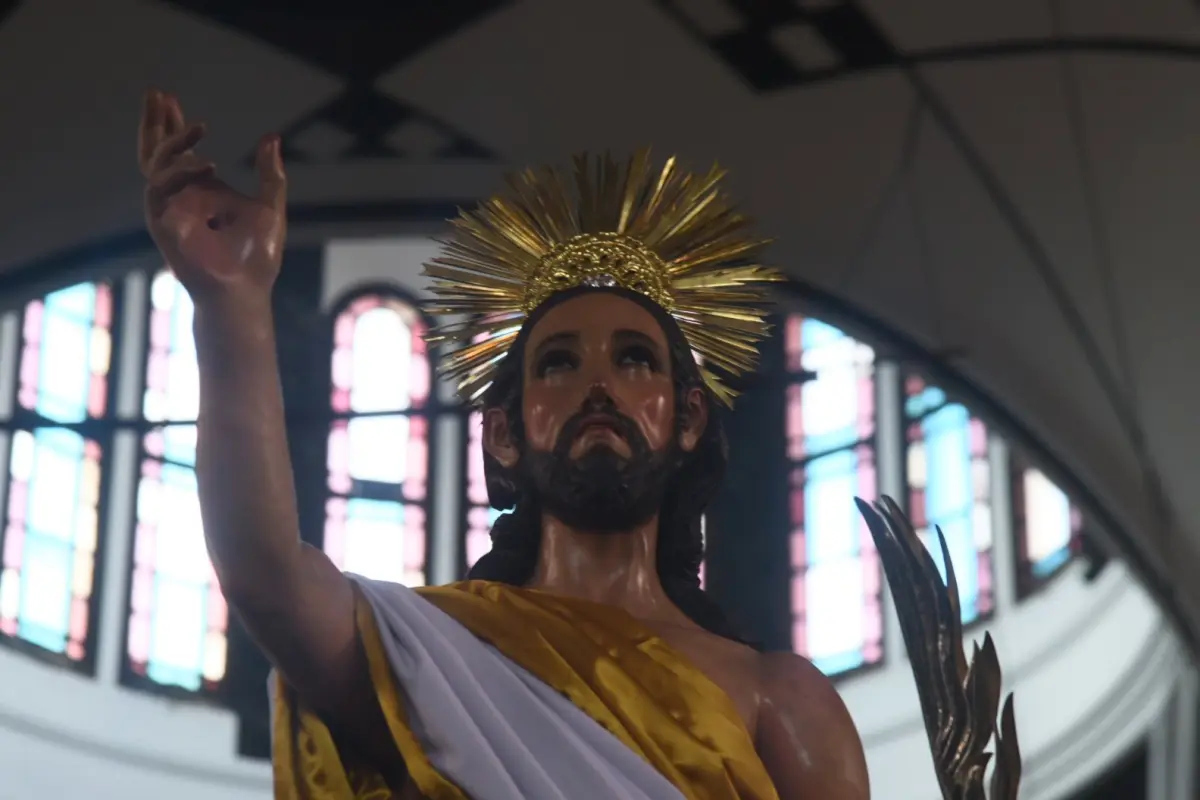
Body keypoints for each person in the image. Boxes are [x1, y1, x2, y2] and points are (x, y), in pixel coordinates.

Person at [139, 88, 868, 799]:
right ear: (505, 433)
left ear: (688, 419)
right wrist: (231, 305)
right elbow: (267, 578)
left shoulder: (782, 701)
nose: (599, 385)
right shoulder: (437, 654)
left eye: (634, 358)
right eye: (558, 362)